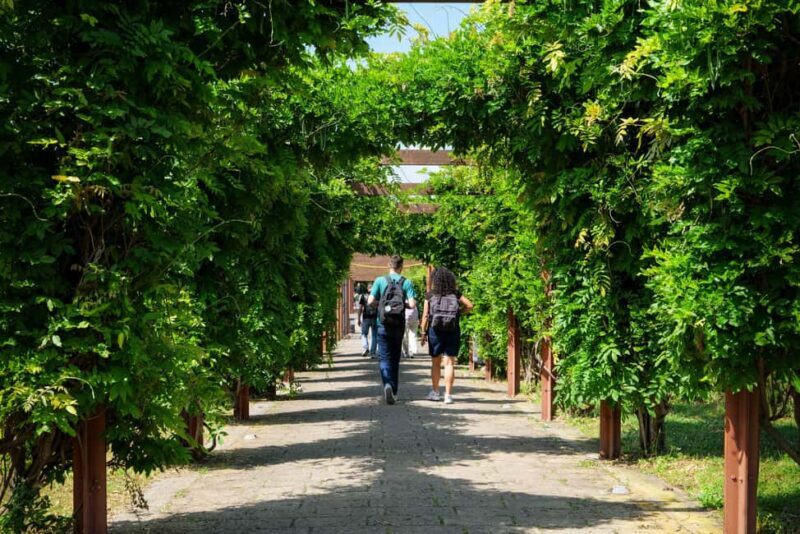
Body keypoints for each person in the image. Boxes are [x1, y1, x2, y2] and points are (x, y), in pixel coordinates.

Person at [367, 255, 416, 405]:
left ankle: (387, 385)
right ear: (402, 266)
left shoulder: (380, 281)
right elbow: (412, 304)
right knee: (395, 358)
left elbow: (369, 302)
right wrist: (403, 304)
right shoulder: (406, 282)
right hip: (398, 325)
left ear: (389, 265)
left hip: (383, 324)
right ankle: (393, 390)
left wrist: (381, 305)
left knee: (384, 358)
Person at [421, 267, 473, 404]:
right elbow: (470, 305)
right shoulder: (455, 294)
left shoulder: (430, 295)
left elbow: (426, 316)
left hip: (435, 330)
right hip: (452, 329)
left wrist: (422, 332)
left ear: (434, 280)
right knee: (449, 363)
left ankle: (436, 392)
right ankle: (448, 395)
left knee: (436, 363)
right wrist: (459, 313)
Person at [358, 283, 378, 357]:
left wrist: (358, 319)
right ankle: (373, 353)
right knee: (374, 335)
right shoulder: (377, 296)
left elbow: (360, 308)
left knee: (364, 334)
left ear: (367, 288)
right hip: (375, 317)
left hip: (366, 317)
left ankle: (365, 347)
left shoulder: (363, 296)